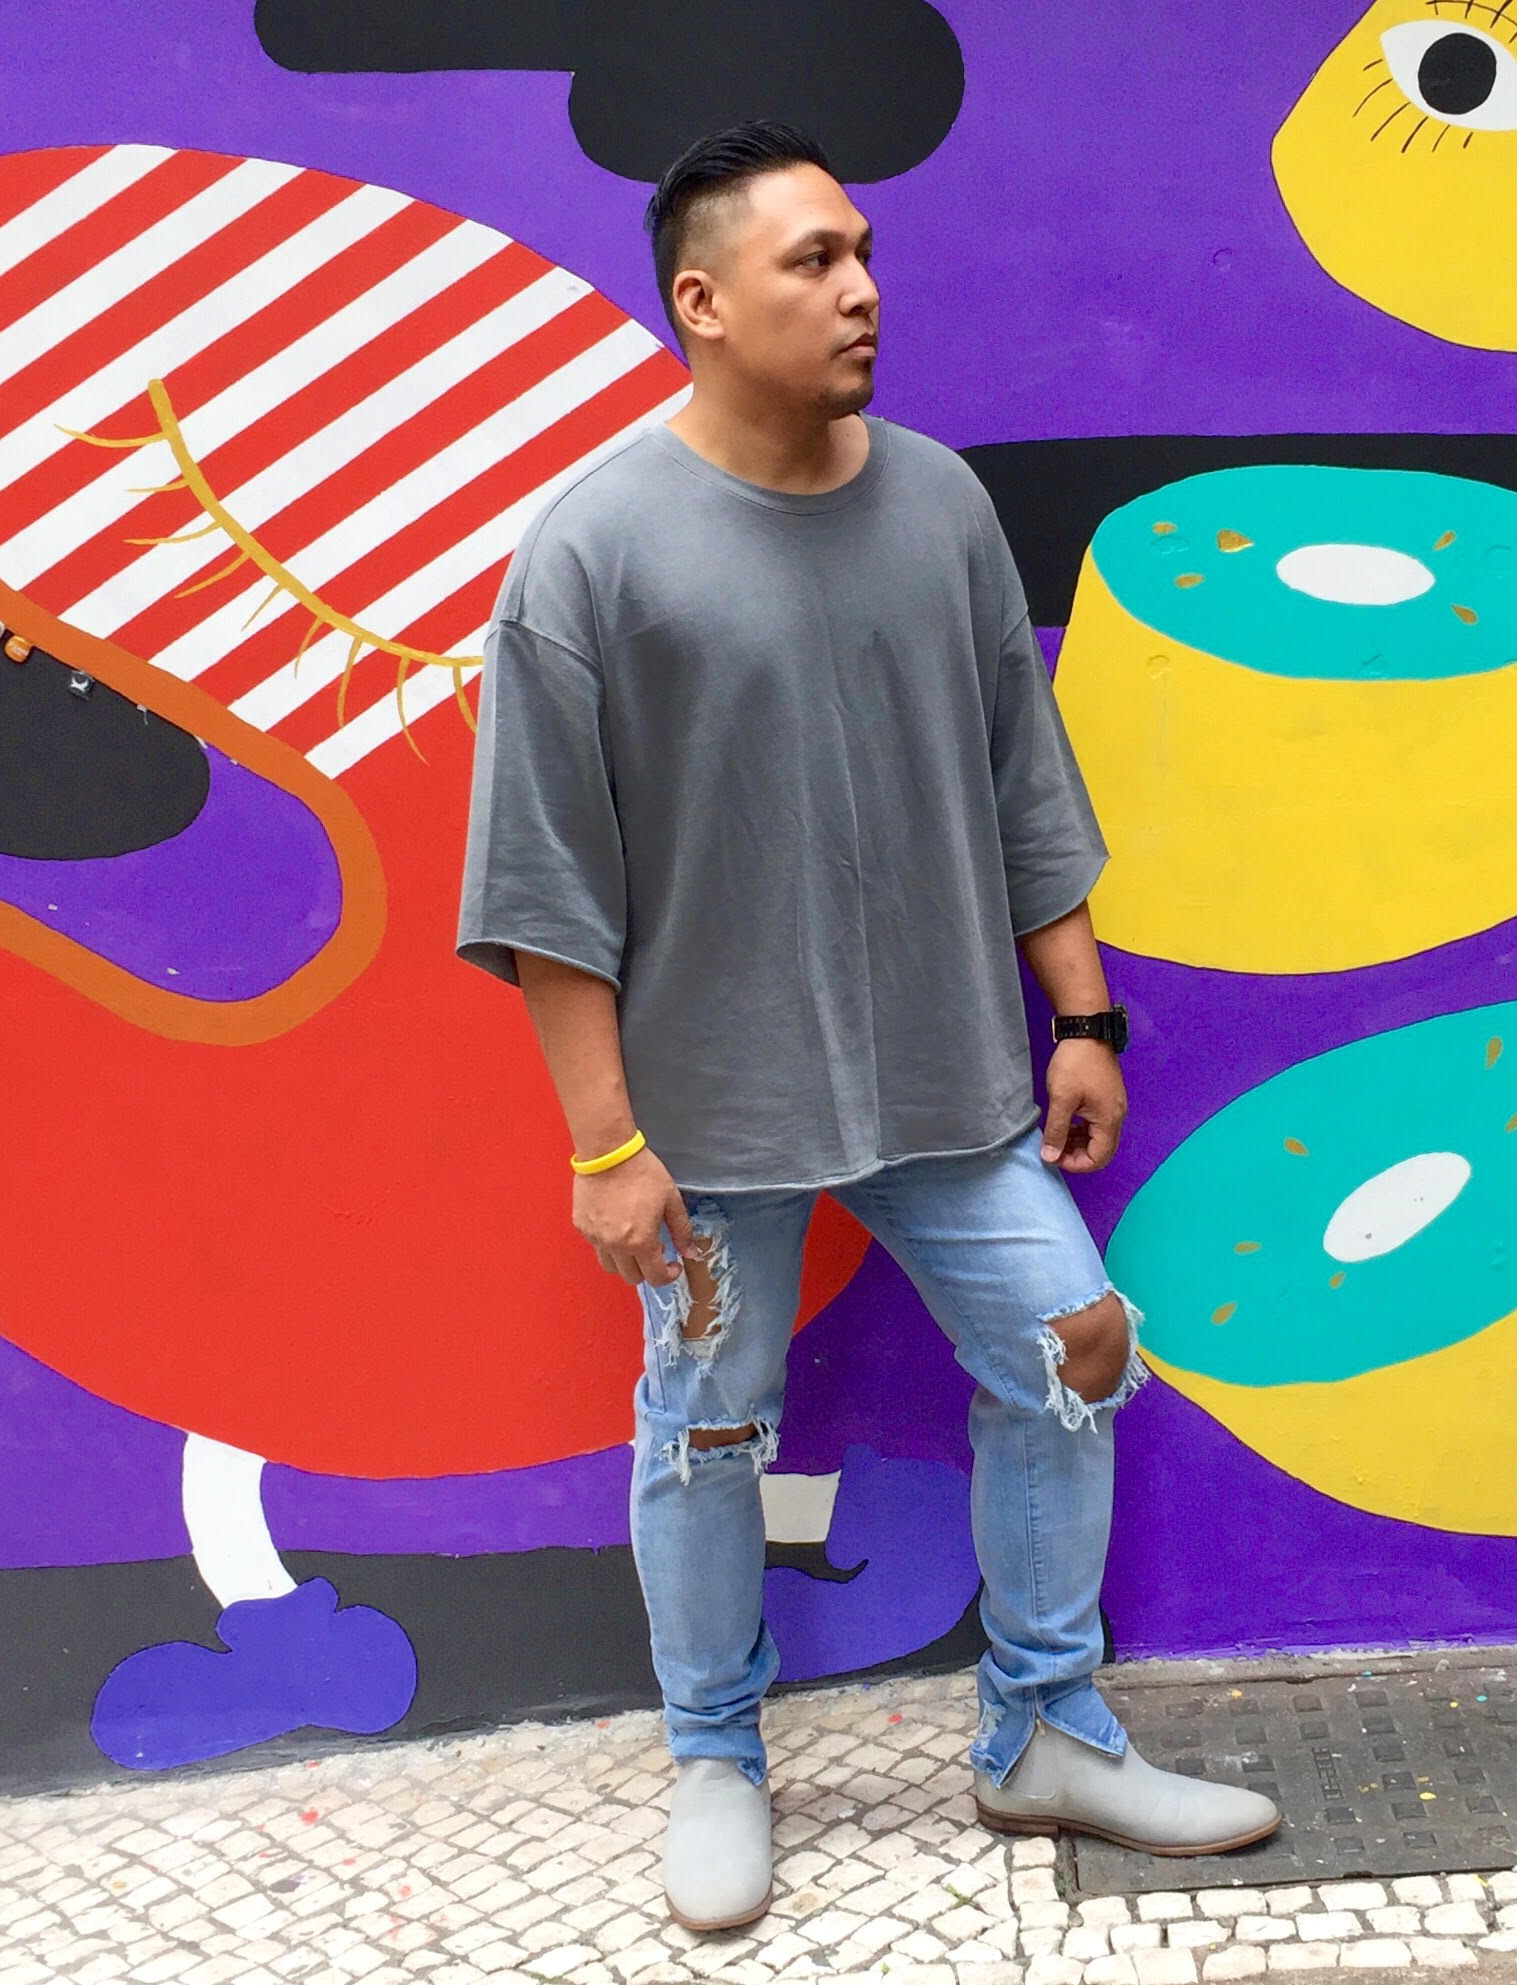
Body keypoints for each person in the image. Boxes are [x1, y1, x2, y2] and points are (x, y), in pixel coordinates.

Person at [454, 119, 1280, 1933]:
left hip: (946, 1079)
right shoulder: (587, 556)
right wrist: (604, 1144)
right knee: (704, 1429)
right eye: (812, 262)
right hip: (710, 1109)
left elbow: (1019, 776)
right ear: (700, 301)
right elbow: (540, 895)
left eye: (862, 254)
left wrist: (1087, 1017)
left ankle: (1042, 1729)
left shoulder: (940, 502)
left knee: (1073, 1343)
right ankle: (714, 1756)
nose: (859, 292)